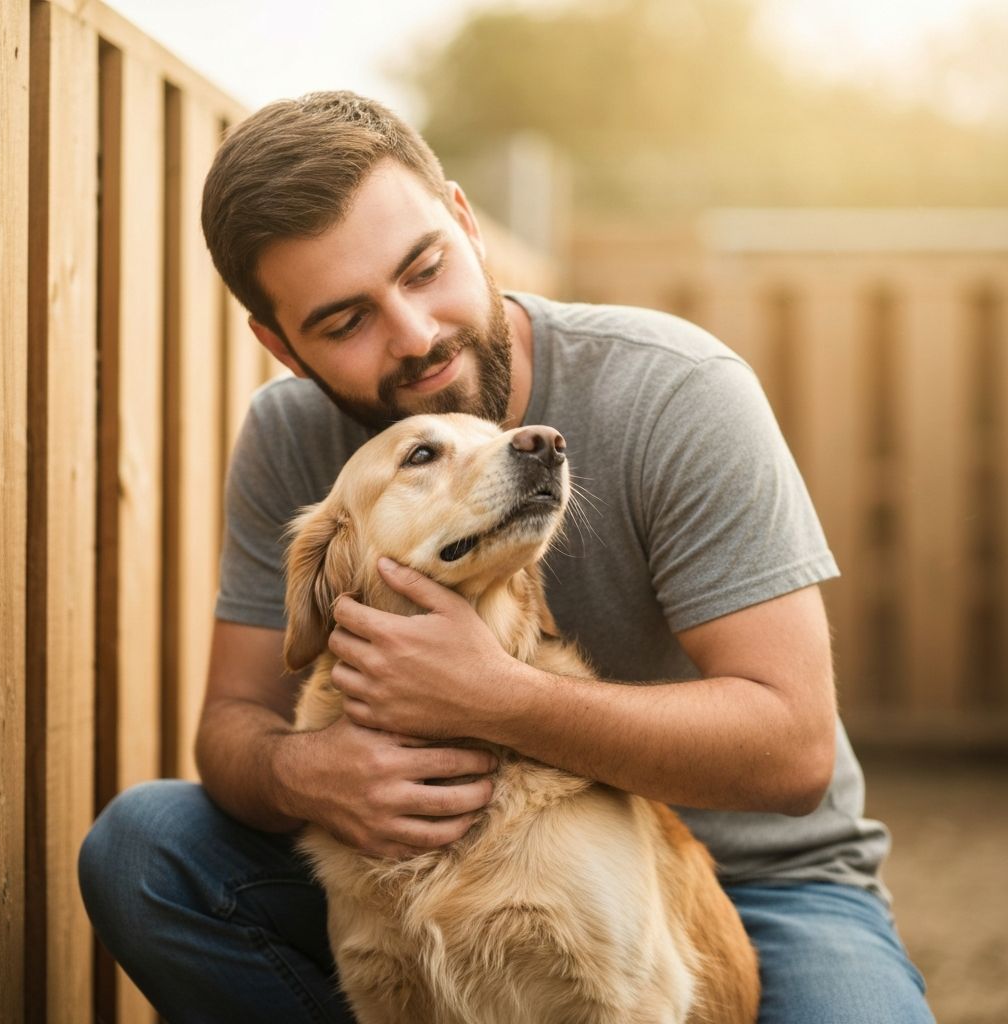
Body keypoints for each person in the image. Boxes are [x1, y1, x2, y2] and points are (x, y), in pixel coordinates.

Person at [79, 91, 933, 1024]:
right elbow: (234, 720)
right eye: (344, 322)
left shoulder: (677, 390)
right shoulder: (294, 447)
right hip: (401, 858)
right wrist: (305, 773)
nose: (414, 336)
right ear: (282, 346)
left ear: (465, 223)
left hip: (770, 881)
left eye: (423, 268)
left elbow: (794, 750)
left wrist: (494, 698)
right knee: (144, 847)